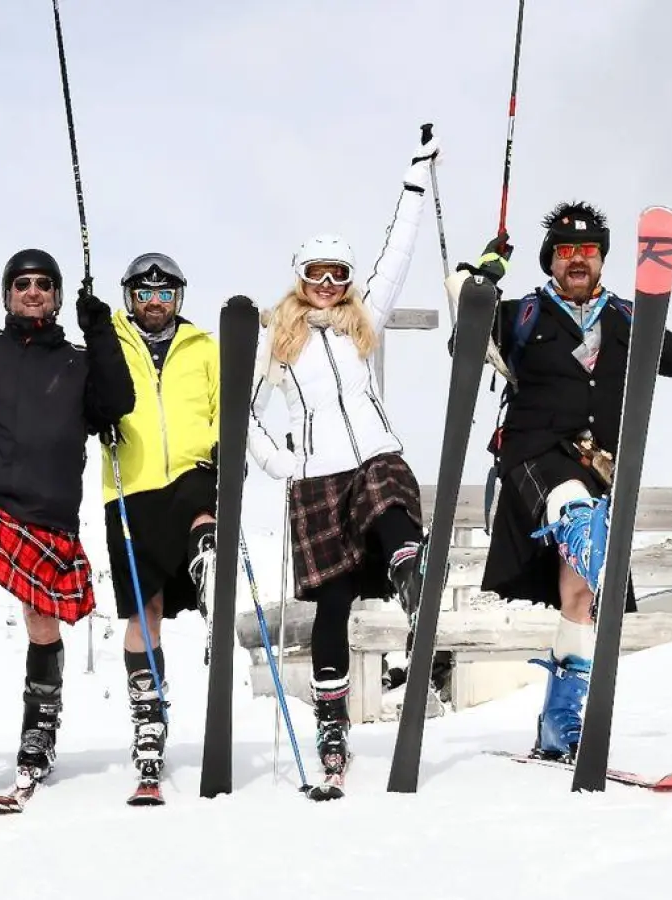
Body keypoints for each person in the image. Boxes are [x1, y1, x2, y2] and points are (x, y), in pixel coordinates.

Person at [470, 201, 672, 761]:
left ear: (601, 260)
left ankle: (558, 722)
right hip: (533, 457)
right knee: (578, 519)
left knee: (580, 596)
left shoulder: (624, 320)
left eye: (587, 251)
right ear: (550, 261)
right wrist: (480, 287)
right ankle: (594, 547)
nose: (577, 260)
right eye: (566, 252)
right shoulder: (523, 315)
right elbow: (465, 348)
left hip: (597, 468)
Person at [245, 129, 439, 792]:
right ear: (299, 278)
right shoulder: (279, 338)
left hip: (372, 459)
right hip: (318, 480)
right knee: (333, 603)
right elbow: (240, 419)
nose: (327, 286)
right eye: (315, 275)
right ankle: (332, 723)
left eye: (338, 276)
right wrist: (282, 466)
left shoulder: (364, 321)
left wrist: (416, 180)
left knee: (389, 496)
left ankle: (413, 577)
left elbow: (397, 256)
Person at [0, 249, 134, 783]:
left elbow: (116, 405)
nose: (33, 291)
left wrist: (102, 333)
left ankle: (39, 728)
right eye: (22, 284)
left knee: (42, 621)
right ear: (6, 294)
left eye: (45, 283)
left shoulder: (79, 360)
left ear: (59, 296)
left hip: (50, 509)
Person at [98, 252, 220, 792]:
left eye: (165, 294)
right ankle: (149, 720)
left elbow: (227, 407)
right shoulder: (109, 340)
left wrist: (221, 447)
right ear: (130, 297)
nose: (154, 302)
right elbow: (89, 396)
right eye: (145, 293)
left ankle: (209, 566)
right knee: (144, 611)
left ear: (178, 299)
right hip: (132, 486)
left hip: (191, 470)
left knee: (199, 503)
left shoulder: (204, 347)